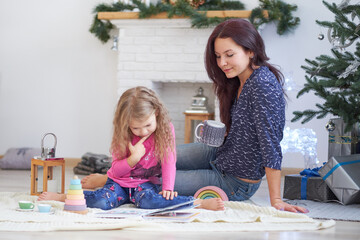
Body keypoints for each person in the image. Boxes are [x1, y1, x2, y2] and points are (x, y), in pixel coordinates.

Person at [67, 19, 308, 213]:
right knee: (156, 153)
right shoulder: (240, 81)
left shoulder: (263, 85)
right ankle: (114, 175)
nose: (222, 62)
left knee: (158, 182)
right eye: (217, 56)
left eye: (229, 54)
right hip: (219, 153)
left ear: (251, 51)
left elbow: (270, 144)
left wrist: (276, 199)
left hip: (235, 180)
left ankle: (111, 181)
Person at [38, 86, 224, 211]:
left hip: (146, 184)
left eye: (148, 125)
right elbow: (115, 170)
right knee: (102, 200)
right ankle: (63, 197)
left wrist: (167, 187)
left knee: (150, 201)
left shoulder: (166, 129)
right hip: (118, 182)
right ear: (126, 122)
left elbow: (169, 160)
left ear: (156, 113)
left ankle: (198, 203)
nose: (143, 132)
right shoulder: (122, 133)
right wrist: (133, 159)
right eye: (136, 128)